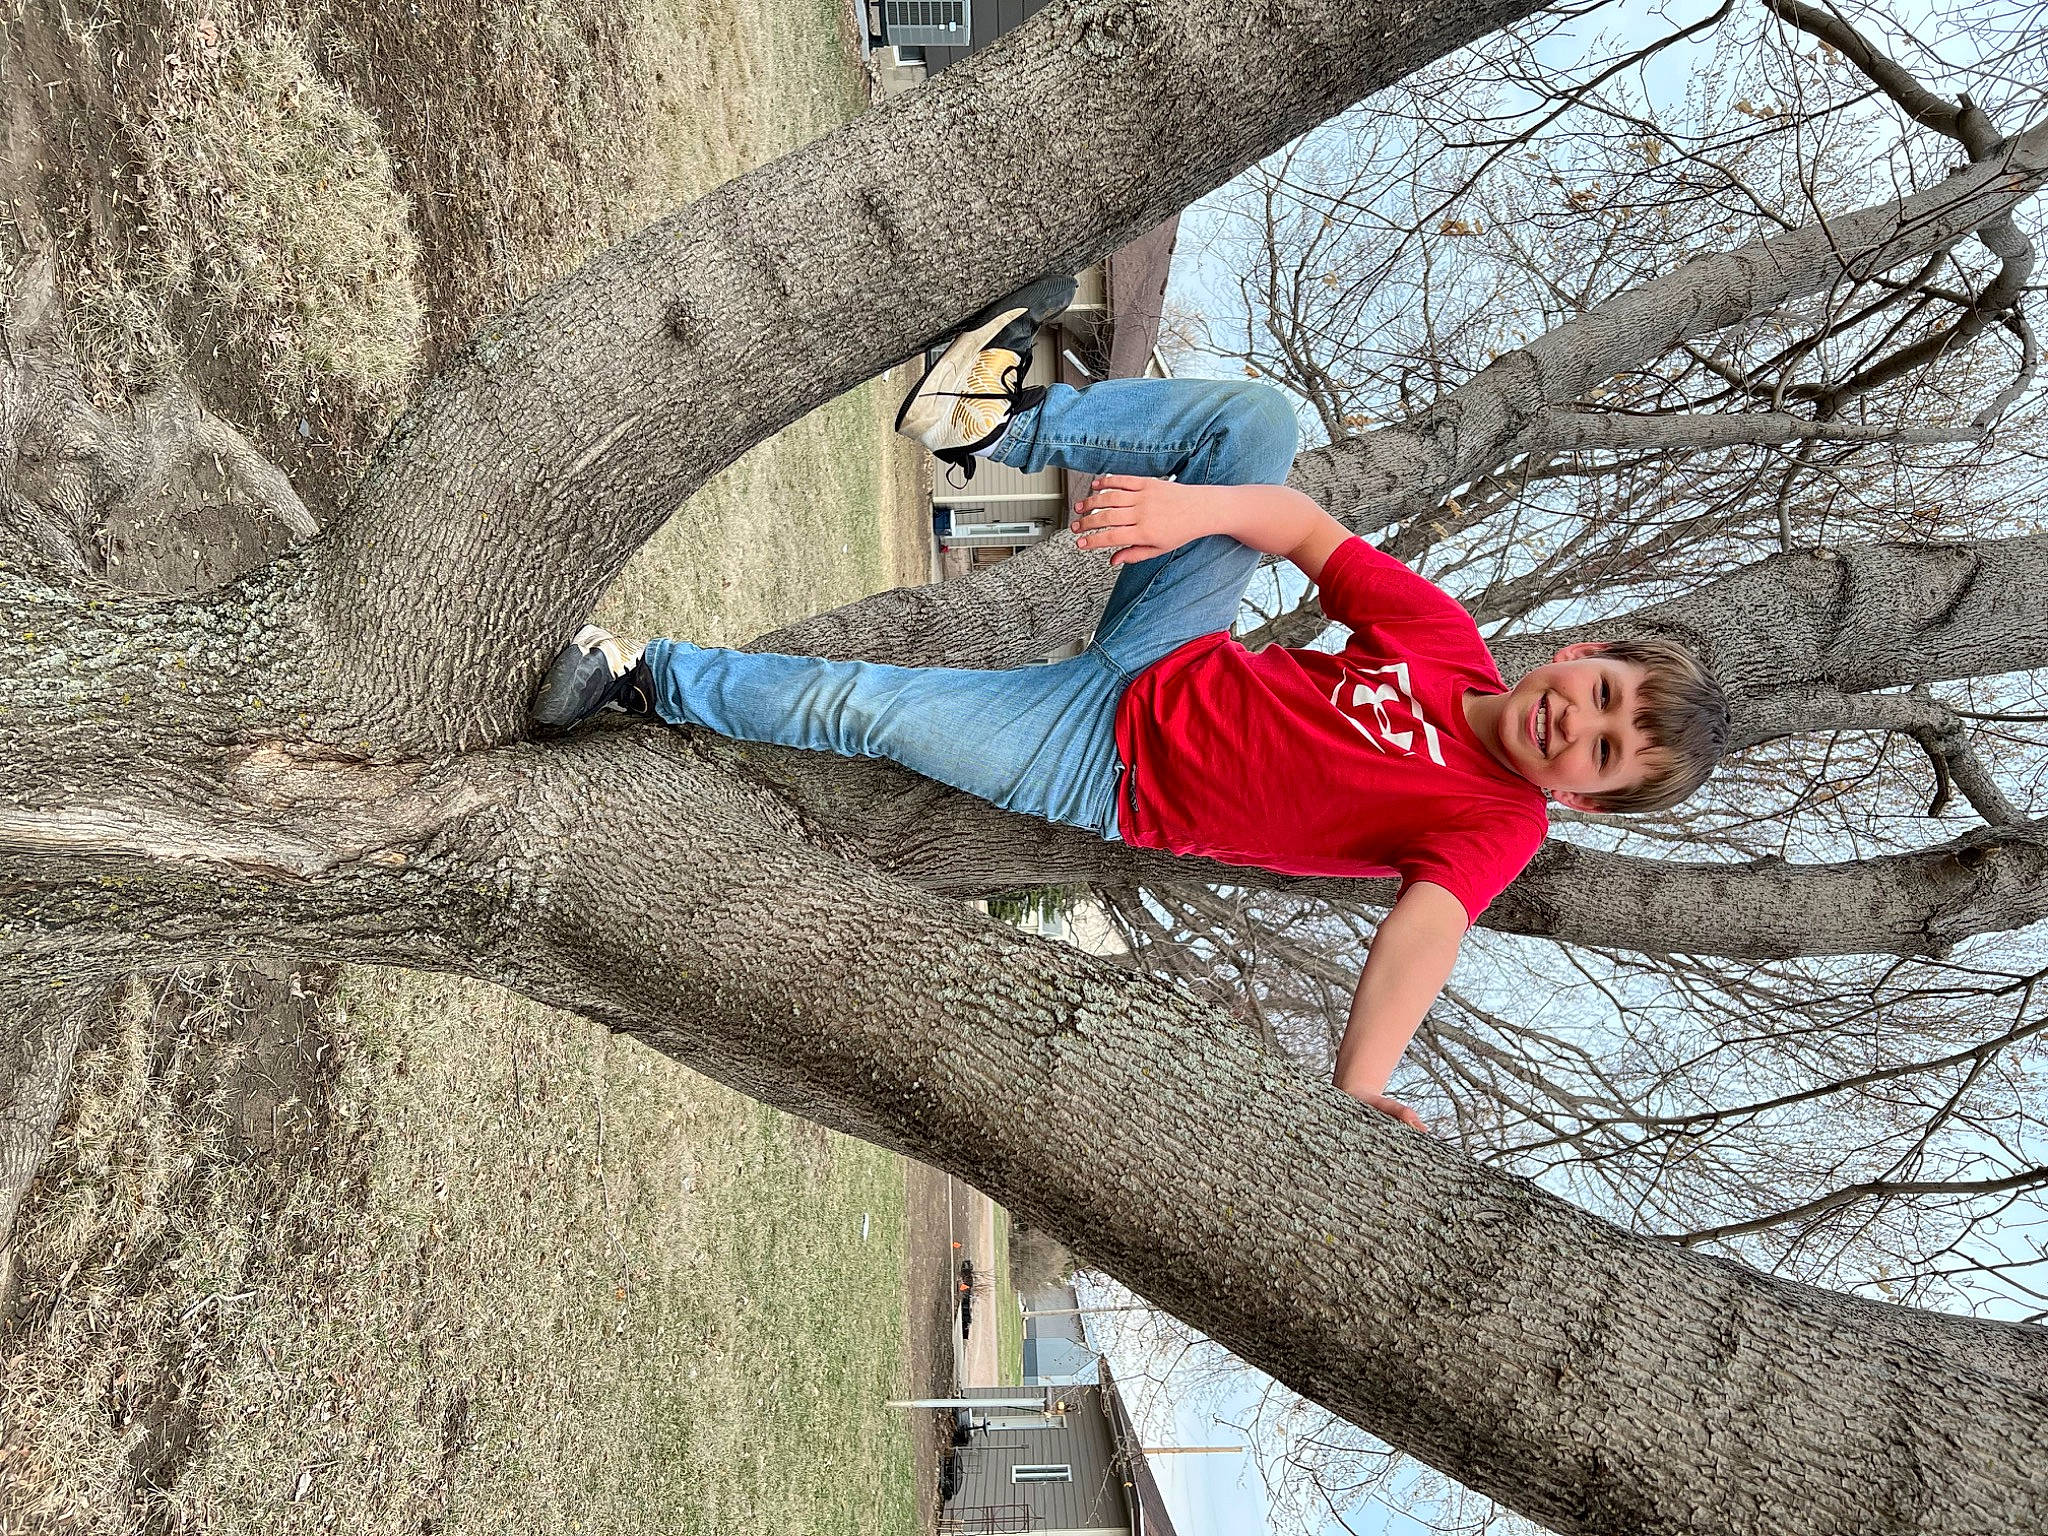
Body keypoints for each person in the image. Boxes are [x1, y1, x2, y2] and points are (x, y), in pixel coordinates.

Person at [532, 286, 1729, 1131]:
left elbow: (1422, 937)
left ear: (1579, 794)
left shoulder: (1494, 826)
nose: (1581, 724)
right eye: (1604, 695)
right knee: (1257, 428)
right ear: (1578, 655)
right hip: (1172, 648)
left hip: (1096, 765)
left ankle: (637, 680)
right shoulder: (1443, 642)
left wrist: (1360, 1082)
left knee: (866, 707)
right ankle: (993, 424)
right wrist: (1192, 518)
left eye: (1606, 753)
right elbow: (1304, 531)